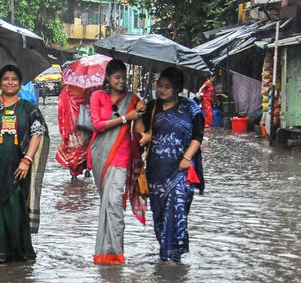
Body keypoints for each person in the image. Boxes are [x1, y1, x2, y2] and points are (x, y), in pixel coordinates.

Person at [0, 65, 49, 265]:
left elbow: (37, 133)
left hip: (18, 168)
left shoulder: (28, 108)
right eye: (6, 78)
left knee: (17, 208)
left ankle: (20, 255)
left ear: (20, 83)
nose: (10, 82)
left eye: (14, 78)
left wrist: (27, 160)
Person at [140, 66, 205, 263]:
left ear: (177, 88)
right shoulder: (151, 107)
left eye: (167, 87)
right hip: (156, 171)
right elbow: (141, 134)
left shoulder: (190, 109)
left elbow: (198, 136)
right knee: (159, 218)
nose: (162, 90)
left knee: (177, 210)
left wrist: (187, 158)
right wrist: (138, 119)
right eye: (159, 86)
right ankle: (167, 255)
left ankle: (171, 259)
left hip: (180, 171)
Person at [88, 59, 147, 265]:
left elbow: (139, 133)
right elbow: (97, 125)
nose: (121, 81)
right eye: (117, 77)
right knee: (107, 203)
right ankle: (105, 253)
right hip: (100, 156)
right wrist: (125, 117)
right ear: (108, 78)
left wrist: (141, 114)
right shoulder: (97, 96)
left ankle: (115, 253)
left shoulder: (133, 100)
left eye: (124, 77)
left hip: (122, 157)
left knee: (114, 204)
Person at [55, 84, 92, 179]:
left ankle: (74, 174)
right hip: (85, 126)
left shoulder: (65, 92)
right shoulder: (89, 90)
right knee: (85, 149)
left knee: (72, 150)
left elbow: (61, 111)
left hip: (71, 129)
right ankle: (87, 170)